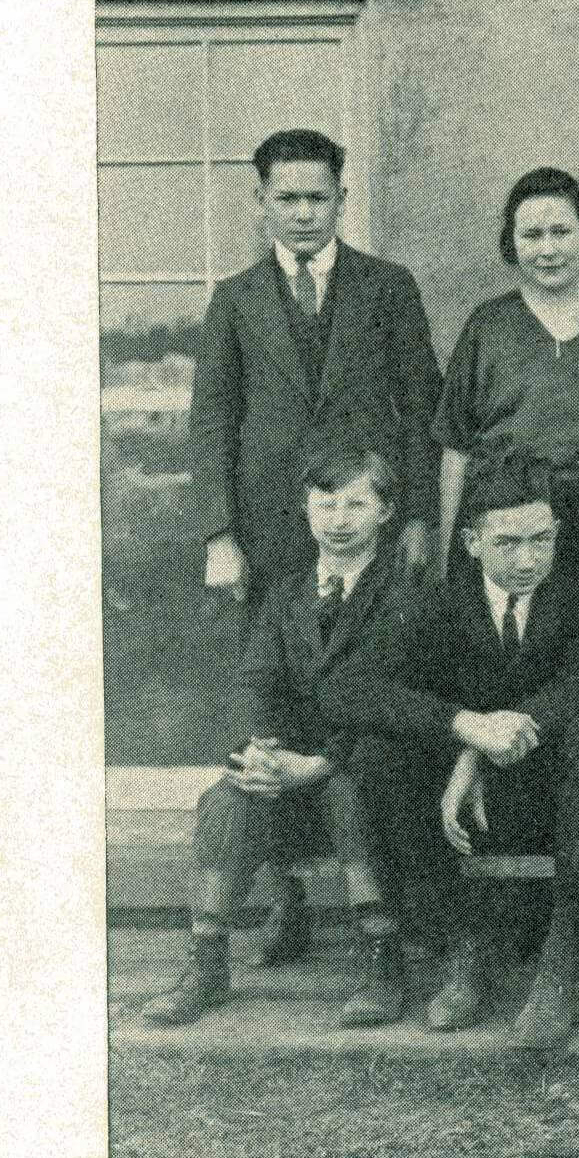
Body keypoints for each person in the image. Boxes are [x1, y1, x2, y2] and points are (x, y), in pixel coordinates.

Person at [186, 127, 445, 961]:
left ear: (342, 199)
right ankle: (285, 896)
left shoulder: (387, 287)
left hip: (366, 521)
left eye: (317, 197)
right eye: (286, 198)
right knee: (272, 703)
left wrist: (417, 519)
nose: (303, 212)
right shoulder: (236, 299)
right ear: (261, 202)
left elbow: (422, 407)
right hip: (269, 535)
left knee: (372, 693)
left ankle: (392, 900)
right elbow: (212, 420)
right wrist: (221, 534)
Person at [333, 461, 579, 1049]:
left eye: (540, 539)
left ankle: (560, 962)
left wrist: (499, 738)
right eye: (507, 543)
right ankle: (463, 945)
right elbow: (355, 688)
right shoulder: (438, 603)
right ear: (470, 542)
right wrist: (465, 728)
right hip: (469, 807)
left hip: (558, 787)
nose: (527, 559)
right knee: (375, 755)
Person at [141, 443, 426, 1029]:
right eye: (326, 504)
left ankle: (383, 959)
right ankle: (207, 963)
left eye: (356, 505)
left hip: (373, 771)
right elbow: (260, 683)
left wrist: (321, 763)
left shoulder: (408, 596)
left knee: (350, 790)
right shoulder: (285, 594)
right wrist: (262, 752)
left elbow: (388, 703)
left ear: (386, 512)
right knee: (228, 797)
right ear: (304, 507)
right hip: (292, 772)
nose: (339, 520)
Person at [433, 168, 579, 604]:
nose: (547, 250)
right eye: (532, 235)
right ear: (512, 243)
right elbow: (455, 449)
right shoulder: (488, 326)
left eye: (561, 232)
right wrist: (447, 556)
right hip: (508, 522)